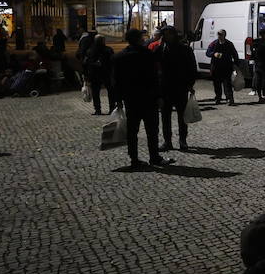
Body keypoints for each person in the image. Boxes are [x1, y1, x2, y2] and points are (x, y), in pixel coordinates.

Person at [111, 28, 169, 169]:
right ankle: (154, 157)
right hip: (149, 98)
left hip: (131, 99)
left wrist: (118, 99)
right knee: (152, 130)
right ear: (138, 39)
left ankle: (134, 159)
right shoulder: (148, 55)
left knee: (132, 131)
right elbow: (155, 78)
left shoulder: (119, 57)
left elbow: (115, 80)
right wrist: (159, 96)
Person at [157, 29, 197, 152]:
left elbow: (192, 67)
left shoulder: (185, 49)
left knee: (182, 116)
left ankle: (182, 140)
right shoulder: (160, 49)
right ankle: (167, 141)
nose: (167, 36)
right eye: (165, 34)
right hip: (165, 88)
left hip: (180, 87)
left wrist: (190, 84)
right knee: (165, 116)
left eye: (169, 34)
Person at [83, 34, 114, 115]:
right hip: (106, 73)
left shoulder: (90, 51)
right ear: (103, 41)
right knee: (110, 92)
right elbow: (113, 62)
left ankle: (98, 110)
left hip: (95, 74)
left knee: (96, 93)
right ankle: (112, 109)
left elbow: (85, 63)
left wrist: (86, 74)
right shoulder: (108, 50)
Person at [206, 29, 240, 106]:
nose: (219, 36)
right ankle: (218, 98)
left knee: (227, 84)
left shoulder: (229, 44)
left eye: (221, 34)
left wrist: (236, 64)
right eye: (218, 34)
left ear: (225, 35)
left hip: (227, 67)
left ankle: (229, 99)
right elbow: (207, 53)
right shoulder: (214, 44)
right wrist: (213, 54)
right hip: (216, 67)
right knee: (216, 84)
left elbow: (235, 54)